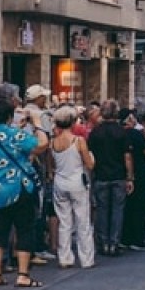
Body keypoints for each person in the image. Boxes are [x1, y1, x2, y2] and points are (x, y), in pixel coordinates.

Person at [0, 92, 48, 288]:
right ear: (10, 116)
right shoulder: (16, 135)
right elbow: (42, 145)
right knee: (24, 228)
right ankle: (23, 274)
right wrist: (37, 123)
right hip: (18, 187)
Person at [48, 105, 96, 268]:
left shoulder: (53, 142)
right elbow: (89, 164)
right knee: (83, 221)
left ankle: (65, 257)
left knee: (64, 222)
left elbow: (51, 165)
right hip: (77, 182)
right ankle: (86, 258)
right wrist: (91, 157)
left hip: (60, 182)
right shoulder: (79, 140)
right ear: (72, 123)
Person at [88, 98, 134, 256]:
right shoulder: (122, 132)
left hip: (101, 175)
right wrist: (130, 177)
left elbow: (90, 155)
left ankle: (103, 242)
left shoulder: (95, 132)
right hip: (118, 175)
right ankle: (114, 242)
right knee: (117, 210)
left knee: (101, 210)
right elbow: (127, 156)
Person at [120, 108, 145, 251]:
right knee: (140, 208)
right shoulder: (136, 134)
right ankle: (137, 239)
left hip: (120, 175)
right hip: (139, 174)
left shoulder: (118, 133)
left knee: (126, 208)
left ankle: (124, 238)